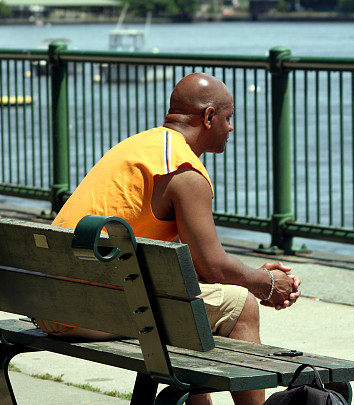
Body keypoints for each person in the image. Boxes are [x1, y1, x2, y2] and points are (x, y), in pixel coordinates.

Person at [41, 73, 300, 405]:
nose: (231, 127)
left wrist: (251, 275)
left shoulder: (137, 147)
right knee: (240, 306)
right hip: (86, 307)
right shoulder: (183, 170)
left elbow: (201, 268)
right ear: (209, 117)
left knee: (184, 303)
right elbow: (213, 268)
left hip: (46, 300)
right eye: (228, 117)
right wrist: (264, 284)